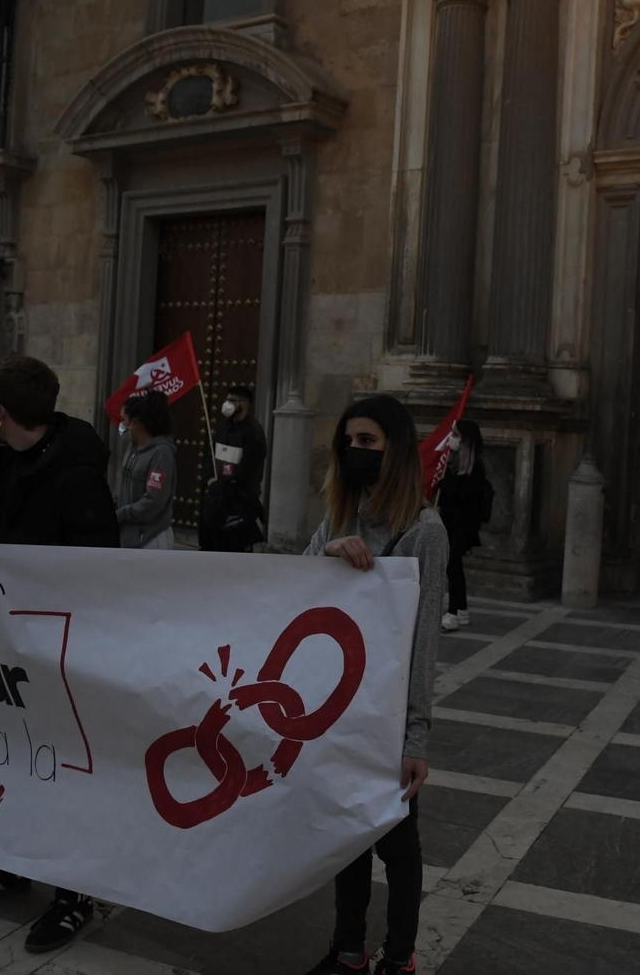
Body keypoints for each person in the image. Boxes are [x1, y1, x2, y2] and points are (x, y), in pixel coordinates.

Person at [0, 354, 118, 954]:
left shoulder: (79, 469)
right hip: (5, 641)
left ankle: (74, 894)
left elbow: (96, 558)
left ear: (1, 410)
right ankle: (5, 863)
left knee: (62, 769)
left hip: (62, 649)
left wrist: (9, 544)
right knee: (6, 759)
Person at [301, 395, 447, 975]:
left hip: (386, 713)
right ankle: (347, 950)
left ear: (396, 449)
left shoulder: (424, 530)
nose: (355, 452)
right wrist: (330, 552)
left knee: (398, 844)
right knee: (348, 835)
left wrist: (416, 738)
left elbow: (424, 641)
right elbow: (294, 586)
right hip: (339, 707)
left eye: (369, 442)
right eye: (349, 442)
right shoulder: (340, 514)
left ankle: (401, 957)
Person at [436, 419, 492, 633]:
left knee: (452, 566)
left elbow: (465, 497)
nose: (451, 438)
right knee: (455, 567)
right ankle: (461, 610)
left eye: (455, 434)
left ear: (466, 440)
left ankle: (452, 613)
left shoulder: (475, 467)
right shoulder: (454, 462)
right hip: (451, 523)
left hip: (464, 526)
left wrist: (446, 485)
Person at [200, 382, 266, 552]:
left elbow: (246, 471)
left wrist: (223, 486)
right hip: (216, 499)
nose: (227, 404)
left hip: (238, 503)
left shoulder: (254, 433)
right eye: (227, 399)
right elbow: (211, 456)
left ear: (244, 404)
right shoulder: (224, 429)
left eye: (232, 400)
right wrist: (209, 480)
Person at [115, 389, 177, 550]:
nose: (121, 425)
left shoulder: (161, 454)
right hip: (129, 538)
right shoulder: (132, 449)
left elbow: (153, 502)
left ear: (135, 422)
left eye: (124, 420)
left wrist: (121, 514)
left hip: (151, 539)